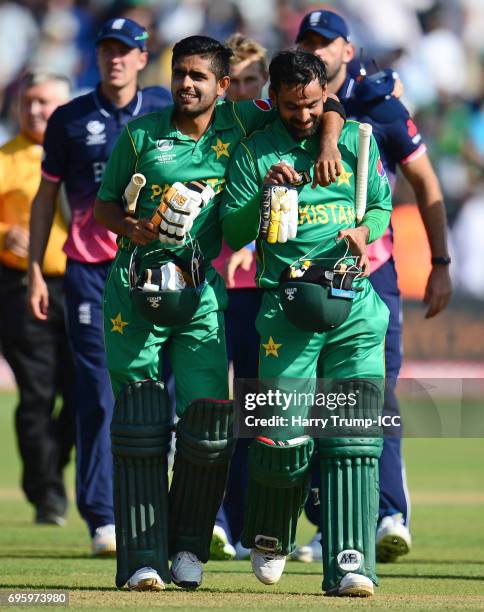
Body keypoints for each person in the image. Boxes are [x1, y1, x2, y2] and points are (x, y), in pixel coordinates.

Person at [94, 35, 345, 591]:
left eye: (198, 76)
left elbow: (317, 101)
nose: (186, 84)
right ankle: (140, 558)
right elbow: (104, 205)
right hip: (134, 294)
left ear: (222, 85)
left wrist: (329, 144)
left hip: (200, 295)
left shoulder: (243, 123)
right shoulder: (140, 135)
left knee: (208, 429)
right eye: (180, 73)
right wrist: (130, 227)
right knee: (141, 424)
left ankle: (187, 550)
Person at [220, 49, 392, 597]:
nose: (304, 116)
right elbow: (233, 228)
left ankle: (351, 564)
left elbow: (382, 205)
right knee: (281, 437)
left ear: (325, 96)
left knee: (354, 436)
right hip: (286, 313)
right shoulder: (256, 151)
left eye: (313, 105)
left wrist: (366, 234)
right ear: (276, 98)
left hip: (355, 305)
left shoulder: (355, 140)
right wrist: (269, 195)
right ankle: (269, 535)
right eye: (293, 107)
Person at [294, 9, 452, 563]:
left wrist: (440, 261)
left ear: (347, 49)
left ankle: (388, 512)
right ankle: (330, 518)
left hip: (372, 274)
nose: (317, 50)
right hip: (306, 275)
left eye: (326, 42)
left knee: (374, 392)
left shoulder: (379, 105)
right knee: (314, 399)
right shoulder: (291, 110)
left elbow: (426, 181)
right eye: (307, 42)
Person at [28, 17, 171, 556]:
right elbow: (46, 199)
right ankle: (104, 517)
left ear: (141, 57)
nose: (114, 58)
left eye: (125, 50)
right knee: (97, 393)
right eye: (106, 49)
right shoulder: (69, 118)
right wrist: (39, 269)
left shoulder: (165, 108)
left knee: (166, 393)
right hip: (90, 271)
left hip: (158, 270)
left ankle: (163, 505)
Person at [0, 70, 74, 527]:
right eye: (29, 102)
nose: (35, 110)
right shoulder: (6, 158)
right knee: (36, 395)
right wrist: (4, 233)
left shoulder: (82, 151)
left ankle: (50, 469)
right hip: (20, 286)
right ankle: (46, 494)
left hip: (80, 285)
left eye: (45, 102)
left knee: (84, 392)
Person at [210, 33, 269, 562]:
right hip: (209, 285)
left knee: (253, 410)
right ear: (224, 85)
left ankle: (247, 522)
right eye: (239, 82)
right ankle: (210, 519)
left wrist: (251, 244)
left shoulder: (275, 126)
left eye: (255, 80)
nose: (246, 91)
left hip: (256, 290)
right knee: (207, 405)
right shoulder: (211, 131)